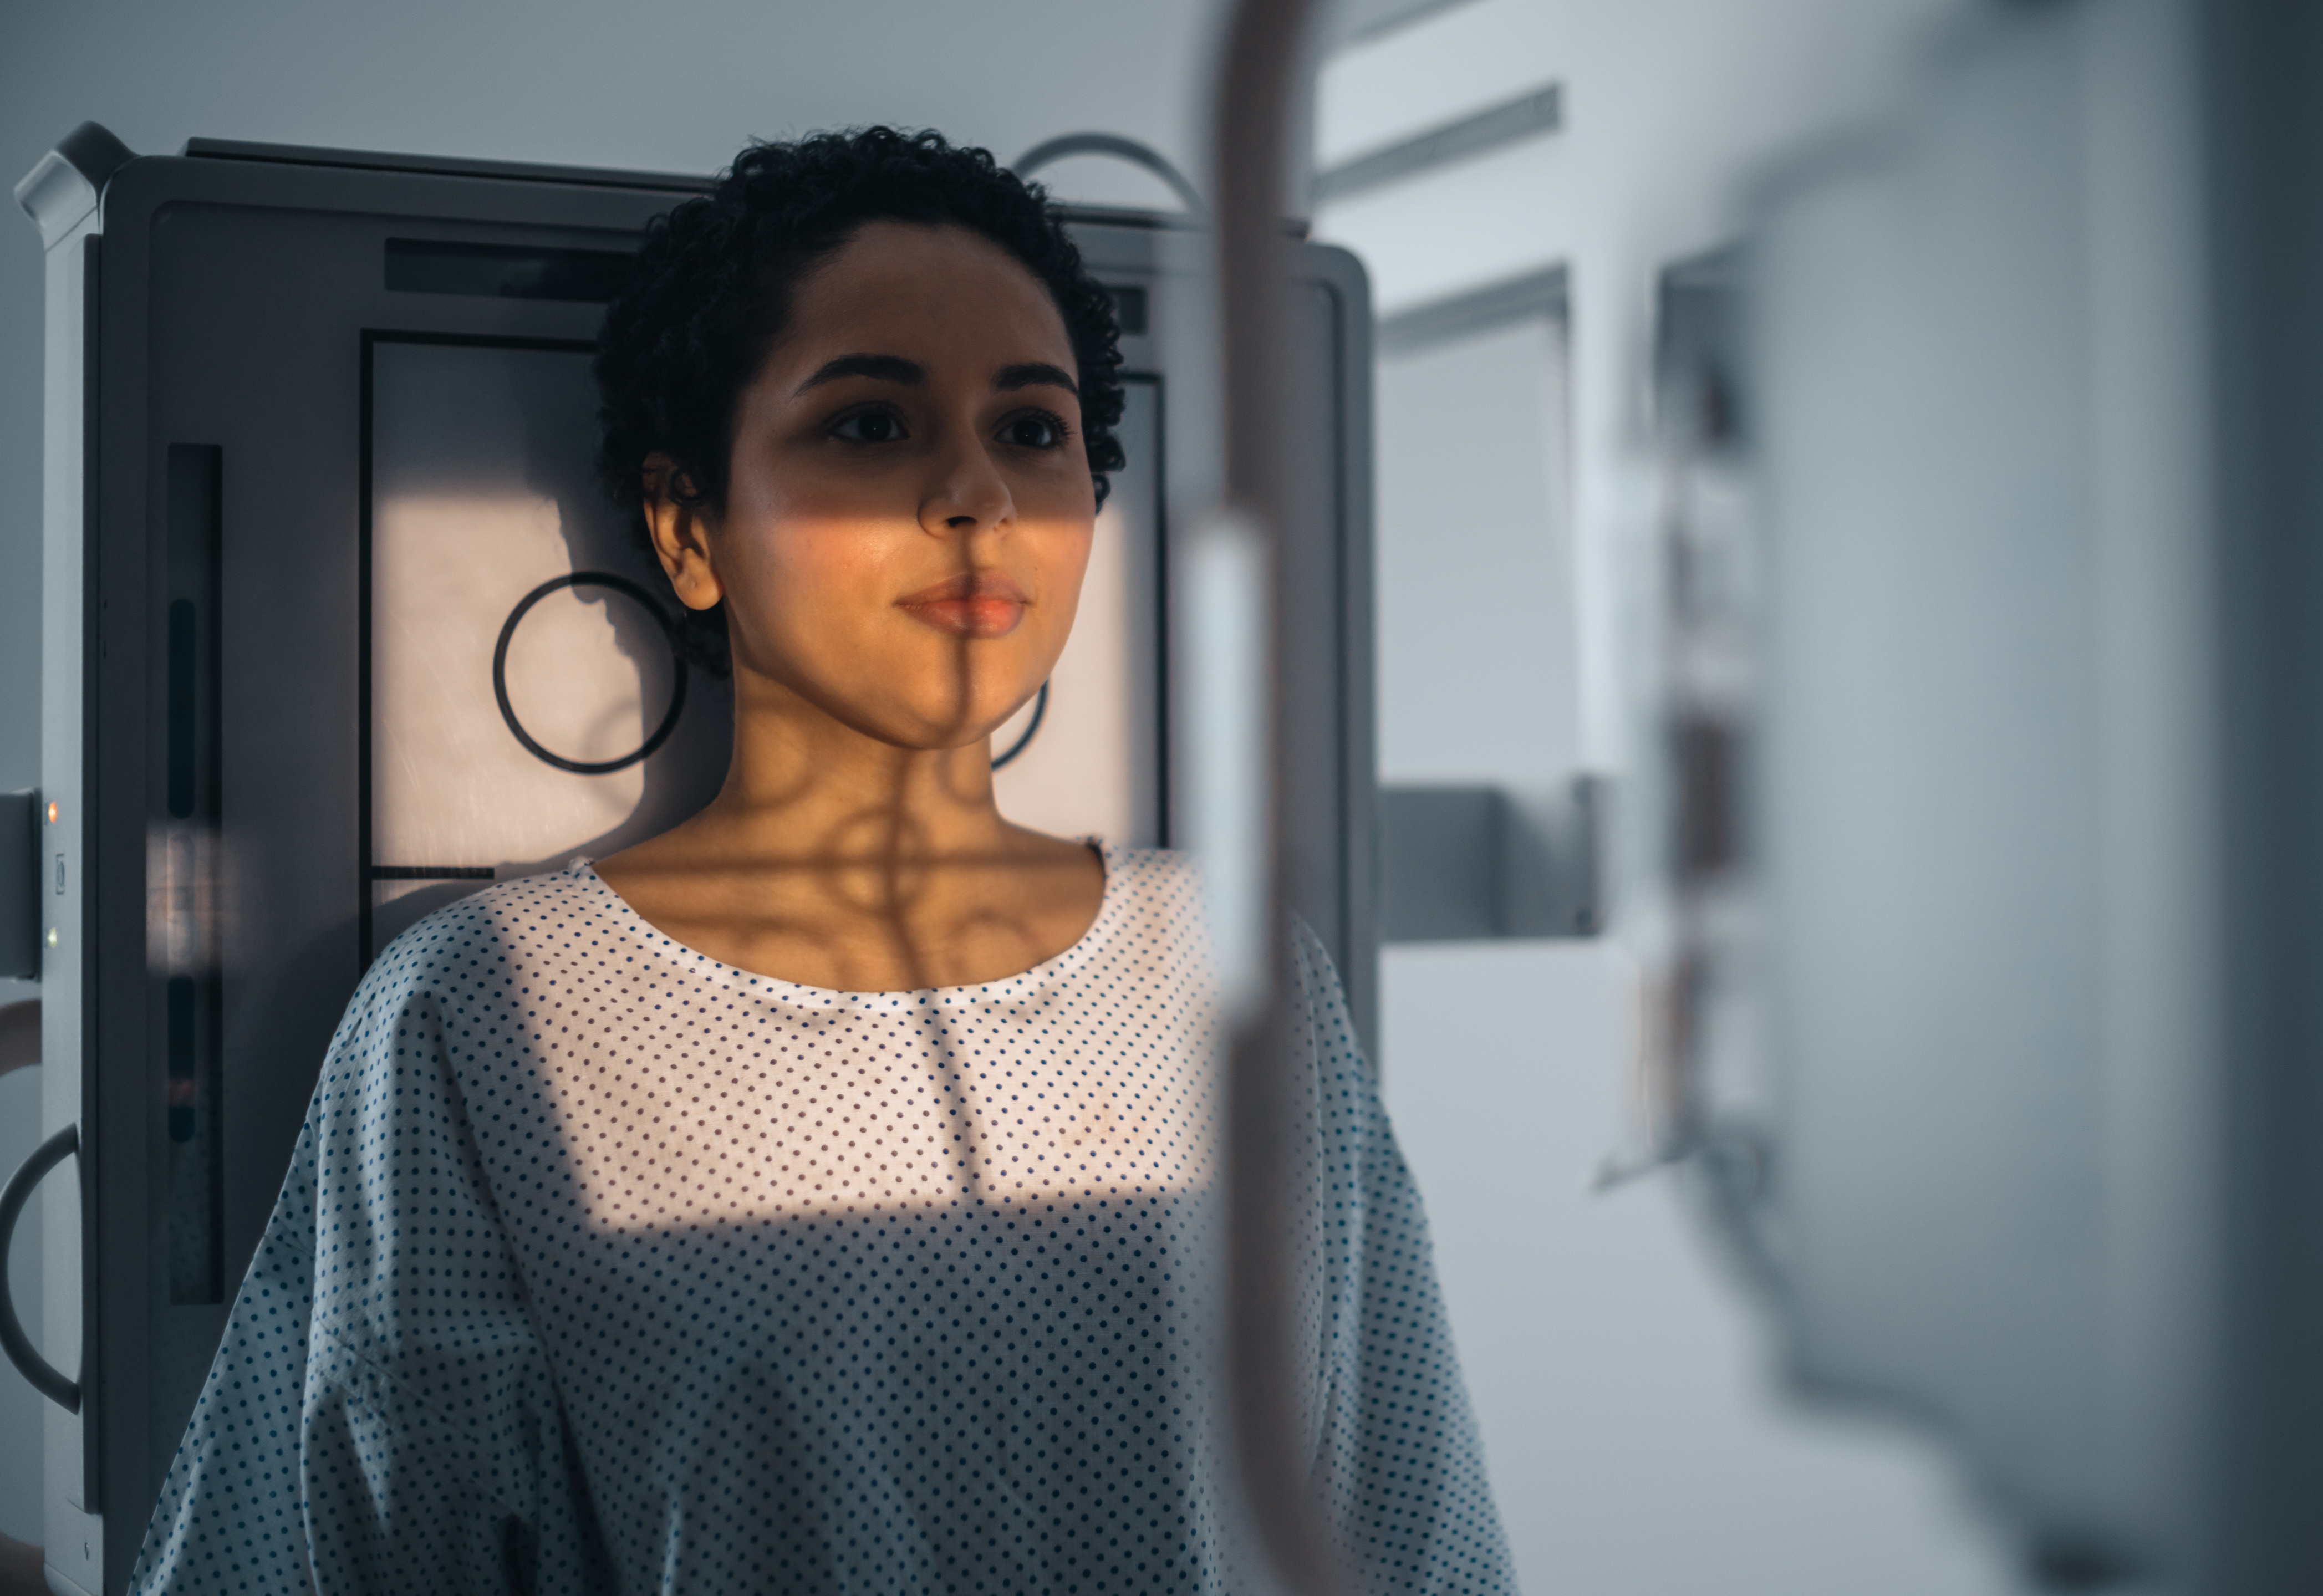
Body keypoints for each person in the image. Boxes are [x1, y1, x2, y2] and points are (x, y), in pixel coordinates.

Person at [131, 126, 1514, 1595]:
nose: (975, 495)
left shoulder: (1233, 969)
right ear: (687, 528)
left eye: (1033, 432)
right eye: (872, 425)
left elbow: (1410, 1534)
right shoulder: (485, 1017)